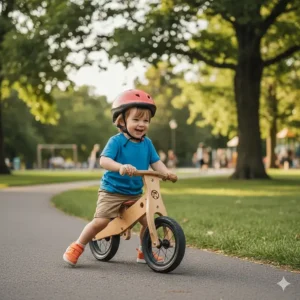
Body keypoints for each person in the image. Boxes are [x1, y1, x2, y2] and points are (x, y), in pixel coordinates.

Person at [63, 89, 175, 266]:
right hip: (112, 191)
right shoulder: (116, 141)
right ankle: (78, 245)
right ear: (122, 121)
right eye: (136, 119)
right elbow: (104, 160)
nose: (141, 124)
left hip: (135, 192)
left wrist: (166, 172)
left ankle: (144, 252)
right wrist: (120, 167)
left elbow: (156, 162)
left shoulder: (147, 143)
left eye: (146, 120)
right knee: (100, 221)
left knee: (148, 222)